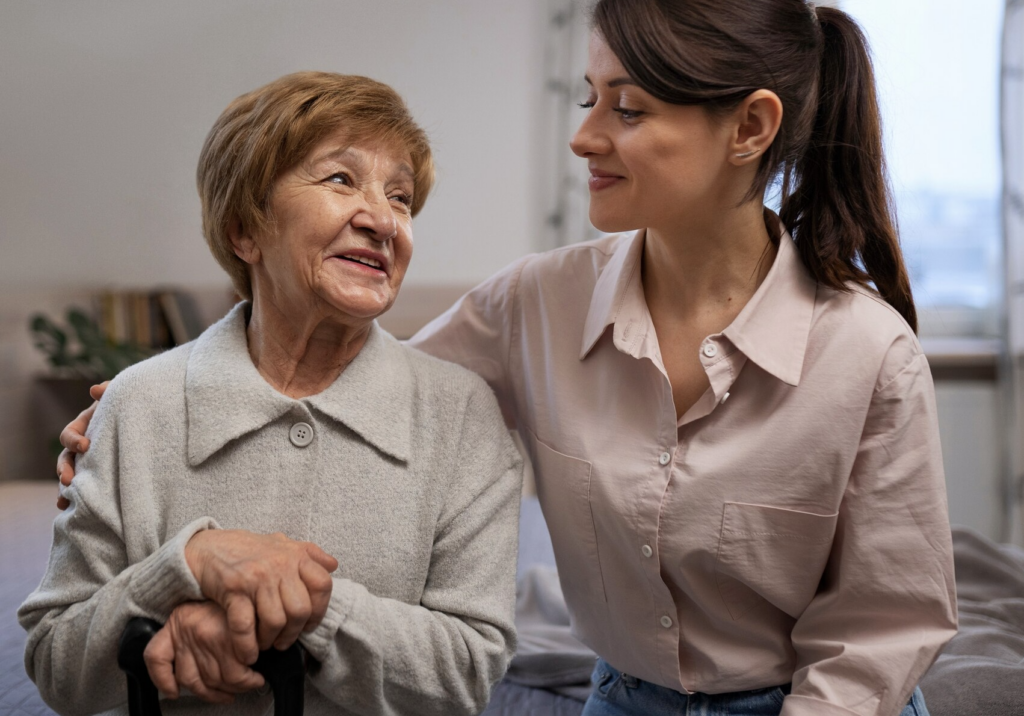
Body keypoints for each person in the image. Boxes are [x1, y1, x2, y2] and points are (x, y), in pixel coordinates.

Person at [55, 2, 959, 715]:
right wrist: (137, 420)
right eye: (588, 97)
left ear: (750, 127)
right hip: (624, 700)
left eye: (628, 107)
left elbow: (885, 626)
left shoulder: (869, 353)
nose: (584, 135)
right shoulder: (532, 303)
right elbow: (357, 389)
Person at [22, 71, 523, 716]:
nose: (382, 221)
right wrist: (188, 564)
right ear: (244, 232)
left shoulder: (460, 414)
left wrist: (303, 604)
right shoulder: (138, 402)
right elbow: (57, 665)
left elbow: (467, 673)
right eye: (341, 179)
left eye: (400, 198)